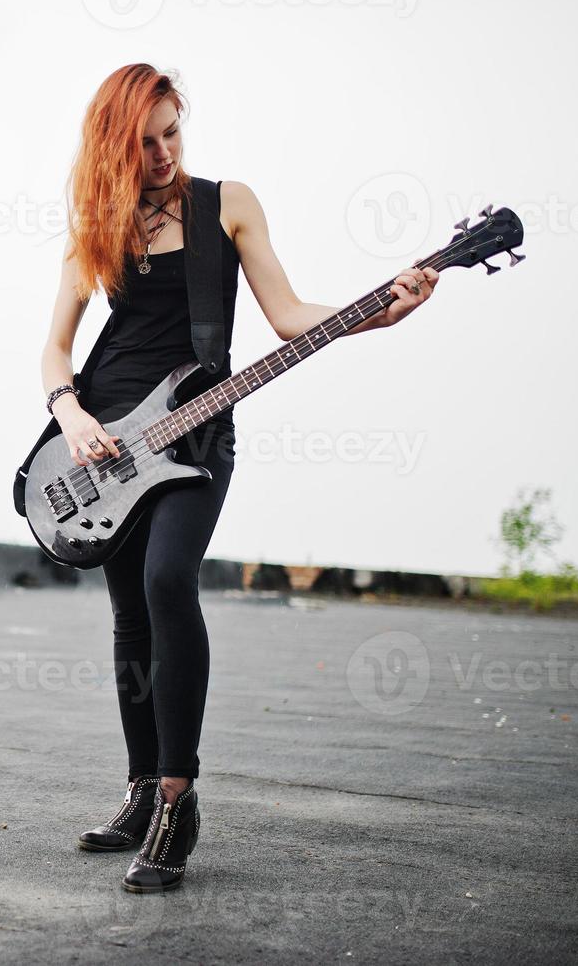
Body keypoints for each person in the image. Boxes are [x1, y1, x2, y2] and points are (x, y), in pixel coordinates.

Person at [40, 63, 438, 893]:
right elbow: (55, 347)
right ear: (114, 144)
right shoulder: (99, 221)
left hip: (196, 436)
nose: (160, 152)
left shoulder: (227, 204)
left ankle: (177, 801)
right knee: (127, 621)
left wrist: (381, 312)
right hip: (104, 441)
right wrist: (71, 415)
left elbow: (288, 315)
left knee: (167, 581)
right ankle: (140, 787)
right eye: (143, 140)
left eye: (171, 133)